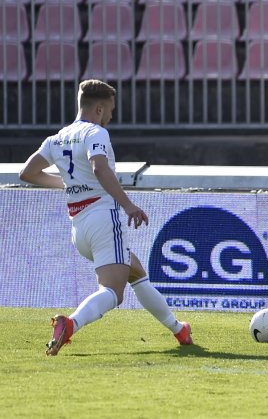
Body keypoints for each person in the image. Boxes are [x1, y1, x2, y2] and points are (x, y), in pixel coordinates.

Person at [20, 79, 193, 356]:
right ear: (99, 109)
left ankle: (179, 329)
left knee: (136, 273)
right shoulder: (95, 133)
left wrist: (66, 184)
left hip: (79, 226)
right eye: (110, 110)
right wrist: (129, 206)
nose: (111, 116)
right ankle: (70, 323)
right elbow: (99, 168)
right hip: (103, 218)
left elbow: (27, 173)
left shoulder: (57, 138)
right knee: (113, 292)